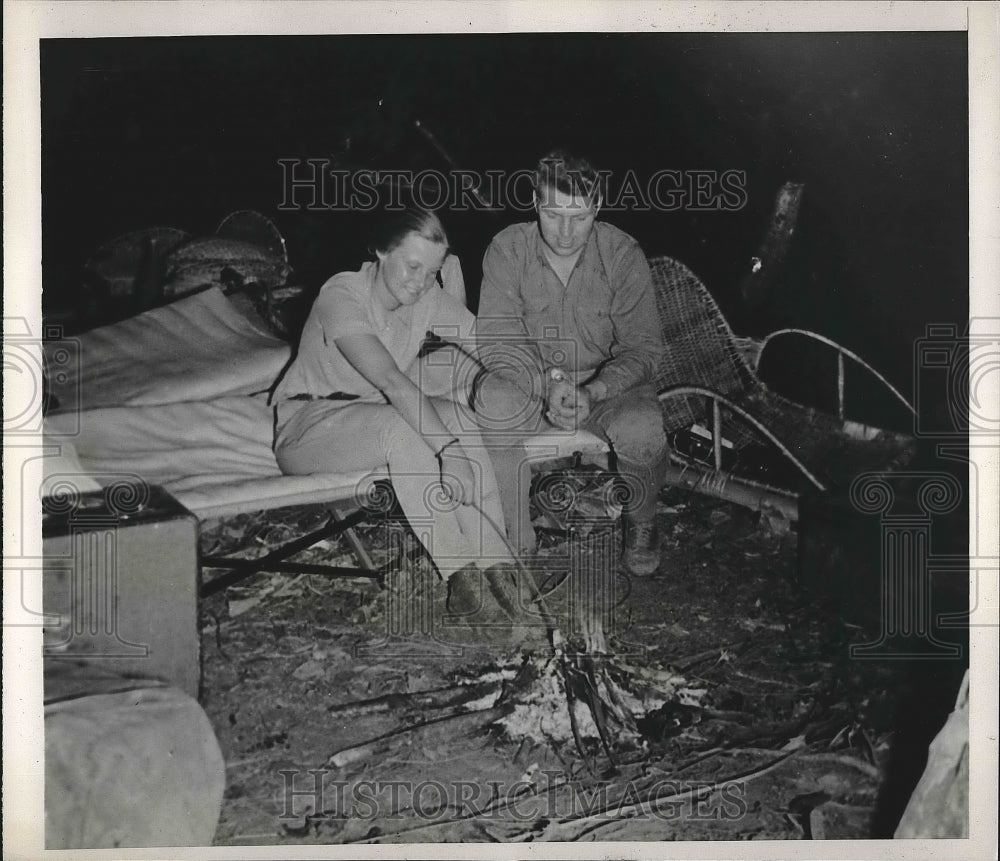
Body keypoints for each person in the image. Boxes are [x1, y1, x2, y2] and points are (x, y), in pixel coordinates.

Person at [271, 201, 529, 642]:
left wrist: (547, 377)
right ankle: (463, 582)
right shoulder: (342, 295)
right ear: (380, 251)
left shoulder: (427, 297)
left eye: (432, 272)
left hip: (371, 413)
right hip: (307, 425)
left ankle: (497, 566)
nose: (420, 282)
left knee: (459, 418)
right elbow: (393, 381)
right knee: (404, 432)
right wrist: (448, 454)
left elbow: (485, 341)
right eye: (412, 267)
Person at [475, 149, 668, 576]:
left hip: (604, 388)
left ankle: (643, 522)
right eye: (553, 214)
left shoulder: (621, 254)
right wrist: (547, 384)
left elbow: (645, 349)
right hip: (532, 383)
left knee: (642, 427)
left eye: (579, 217)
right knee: (492, 402)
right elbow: (496, 339)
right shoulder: (507, 250)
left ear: (597, 206)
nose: (564, 232)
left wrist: (594, 390)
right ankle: (516, 542)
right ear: (534, 202)